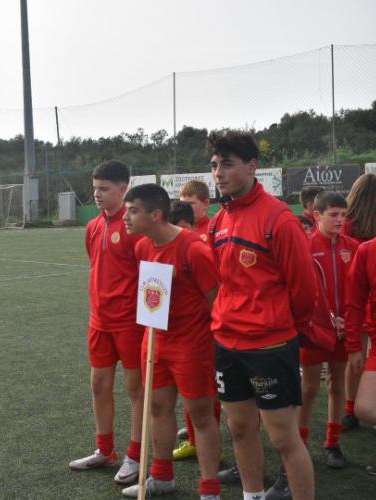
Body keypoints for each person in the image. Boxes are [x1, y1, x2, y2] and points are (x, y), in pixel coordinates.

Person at [206, 130, 317, 500]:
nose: (218, 173)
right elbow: (222, 282)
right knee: (239, 428)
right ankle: (251, 495)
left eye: (227, 164)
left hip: (270, 346)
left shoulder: (278, 219)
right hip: (227, 342)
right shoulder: (218, 220)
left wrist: (282, 329)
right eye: (214, 165)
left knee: (283, 438)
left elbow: (304, 290)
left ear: (252, 166)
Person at [120, 184, 222, 500]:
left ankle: (209, 490)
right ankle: (161, 477)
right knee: (157, 408)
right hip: (155, 340)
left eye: (133, 211)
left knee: (200, 415)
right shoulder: (142, 247)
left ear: (155, 214)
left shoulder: (194, 249)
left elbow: (217, 302)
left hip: (192, 345)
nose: (126, 217)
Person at [69, 160, 146, 486]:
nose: (97, 194)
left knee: (136, 390)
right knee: (99, 385)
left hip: (130, 324)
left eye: (104, 189)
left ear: (123, 189)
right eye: (95, 188)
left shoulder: (135, 229)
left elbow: (148, 277)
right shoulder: (93, 227)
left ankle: (136, 455)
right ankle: (105, 450)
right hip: (99, 322)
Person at [298, 191, 358, 470]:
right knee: (309, 388)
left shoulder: (353, 247)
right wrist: (322, 319)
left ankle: (332, 443)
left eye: (343, 215)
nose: (339, 220)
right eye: (333, 214)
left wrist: (348, 320)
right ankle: (300, 443)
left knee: (337, 383)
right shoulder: (306, 247)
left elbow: (358, 290)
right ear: (316, 216)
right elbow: (303, 292)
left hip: (344, 328)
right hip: (315, 330)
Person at [173, 182, 224, 462]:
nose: (186, 208)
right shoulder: (179, 230)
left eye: (191, 203)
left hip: (208, 320)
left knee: (207, 387)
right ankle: (195, 436)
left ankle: (205, 437)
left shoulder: (213, 230)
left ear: (206, 203)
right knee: (190, 387)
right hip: (184, 323)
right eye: (182, 202)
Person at [340, 173, 376, 430]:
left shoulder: (346, 221)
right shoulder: (365, 239)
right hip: (366, 294)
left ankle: (349, 409)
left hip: (358, 293)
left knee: (354, 359)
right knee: (362, 354)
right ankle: (355, 408)